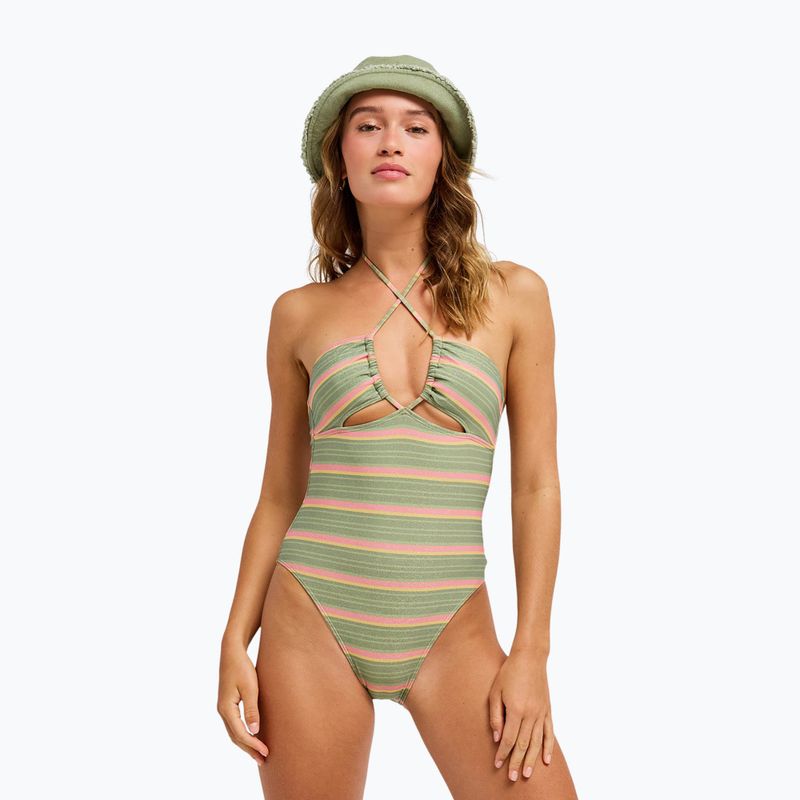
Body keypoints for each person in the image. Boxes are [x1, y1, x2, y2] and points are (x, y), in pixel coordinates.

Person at [217, 55, 579, 799]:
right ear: (339, 159)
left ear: (443, 157)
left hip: (453, 624)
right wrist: (232, 639)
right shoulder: (299, 314)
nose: (390, 142)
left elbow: (537, 486)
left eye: (415, 128)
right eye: (368, 126)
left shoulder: (515, 296)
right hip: (311, 616)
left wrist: (532, 653)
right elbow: (279, 494)